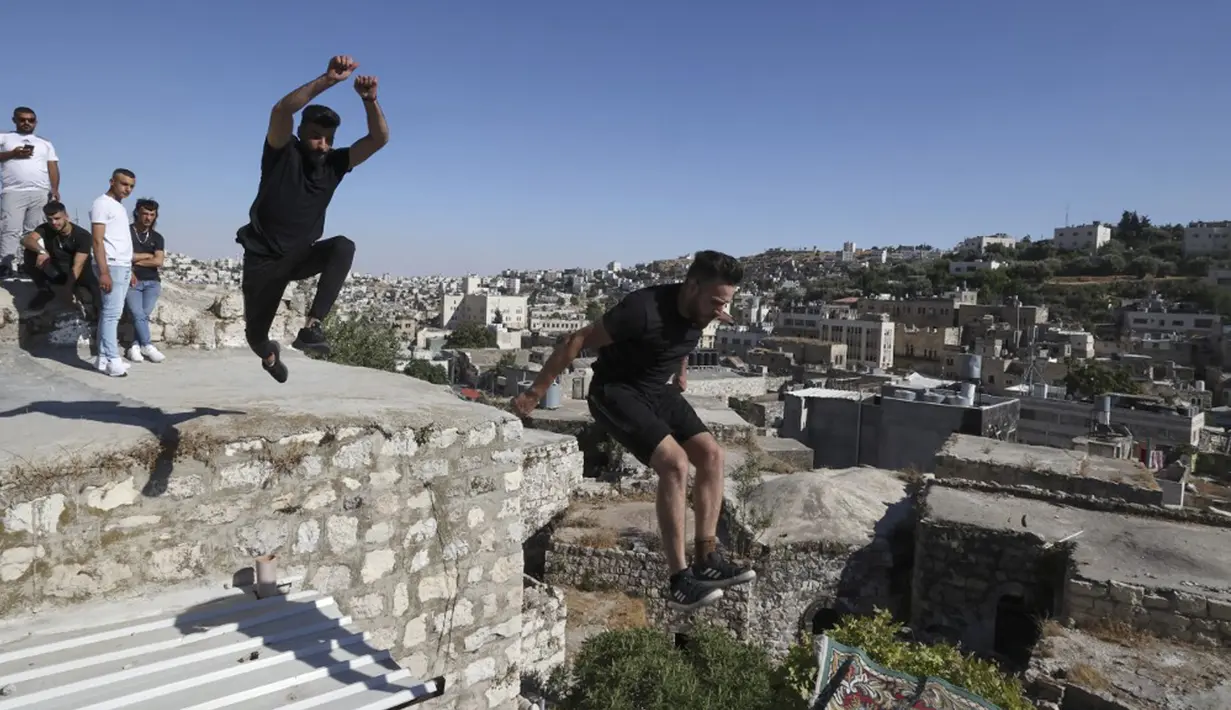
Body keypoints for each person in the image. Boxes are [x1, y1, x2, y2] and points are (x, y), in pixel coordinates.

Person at [511, 250, 755, 612]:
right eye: (716, 301)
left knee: (712, 455)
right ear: (691, 286)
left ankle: (707, 557)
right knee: (675, 463)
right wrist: (535, 392)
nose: (720, 310)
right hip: (615, 390)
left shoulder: (705, 309)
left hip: (658, 390)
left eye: (726, 303)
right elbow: (575, 341)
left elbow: (683, 337)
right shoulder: (642, 309)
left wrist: (682, 373)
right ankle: (679, 580)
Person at [236, 55, 389, 383]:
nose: (323, 145)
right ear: (301, 131)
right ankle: (270, 356)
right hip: (263, 259)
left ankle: (312, 327)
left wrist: (370, 100)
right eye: (316, 136)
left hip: (300, 255)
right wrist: (328, 80)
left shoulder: (335, 163)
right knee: (255, 337)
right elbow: (281, 111)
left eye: (329, 139)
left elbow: (379, 139)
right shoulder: (281, 152)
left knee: (342, 247)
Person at [0, 107, 60, 278]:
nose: (26, 123)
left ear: (36, 121)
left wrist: (55, 189)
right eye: (22, 119)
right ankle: (5, 265)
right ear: (14, 120)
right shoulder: (5, 138)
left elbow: (53, 166)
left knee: (34, 231)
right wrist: (13, 153)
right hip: (13, 191)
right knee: (10, 228)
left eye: (31, 120)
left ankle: (28, 265)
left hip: (40, 191)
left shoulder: (44, 143)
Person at [90, 169, 137, 378]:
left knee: (109, 313)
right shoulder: (102, 204)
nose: (127, 189)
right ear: (112, 182)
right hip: (112, 265)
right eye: (124, 184)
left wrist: (129, 268)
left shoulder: (118, 206)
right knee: (112, 315)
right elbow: (97, 240)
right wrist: (104, 272)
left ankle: (102, 358)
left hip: (122, 265)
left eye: (131, 186)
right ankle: (113, 359)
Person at [19, 201, 99, 319]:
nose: (54, 223)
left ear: (66, 216)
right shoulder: (46, 228)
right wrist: (41, 251)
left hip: (80, 275)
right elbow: (26, 240)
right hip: (57, 272)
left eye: (57, 218)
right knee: (30, 252)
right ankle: (44, 291)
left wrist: (68, 289)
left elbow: (78, 265)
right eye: (49, 219)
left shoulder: (82, 235)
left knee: (96, 302)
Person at [125, 197, 166, 363]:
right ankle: (147, 345)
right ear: (137, 213)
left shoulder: (157, 237)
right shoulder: (126, 232)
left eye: (152, 214)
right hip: (132, 280)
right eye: (145, 214)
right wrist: (146, 256)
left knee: (142, 315)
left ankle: (134, 346)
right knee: (137, 313)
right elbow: (122, 257)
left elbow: (158, 261)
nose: (148, 217)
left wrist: (134, 260)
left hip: (152, 282)